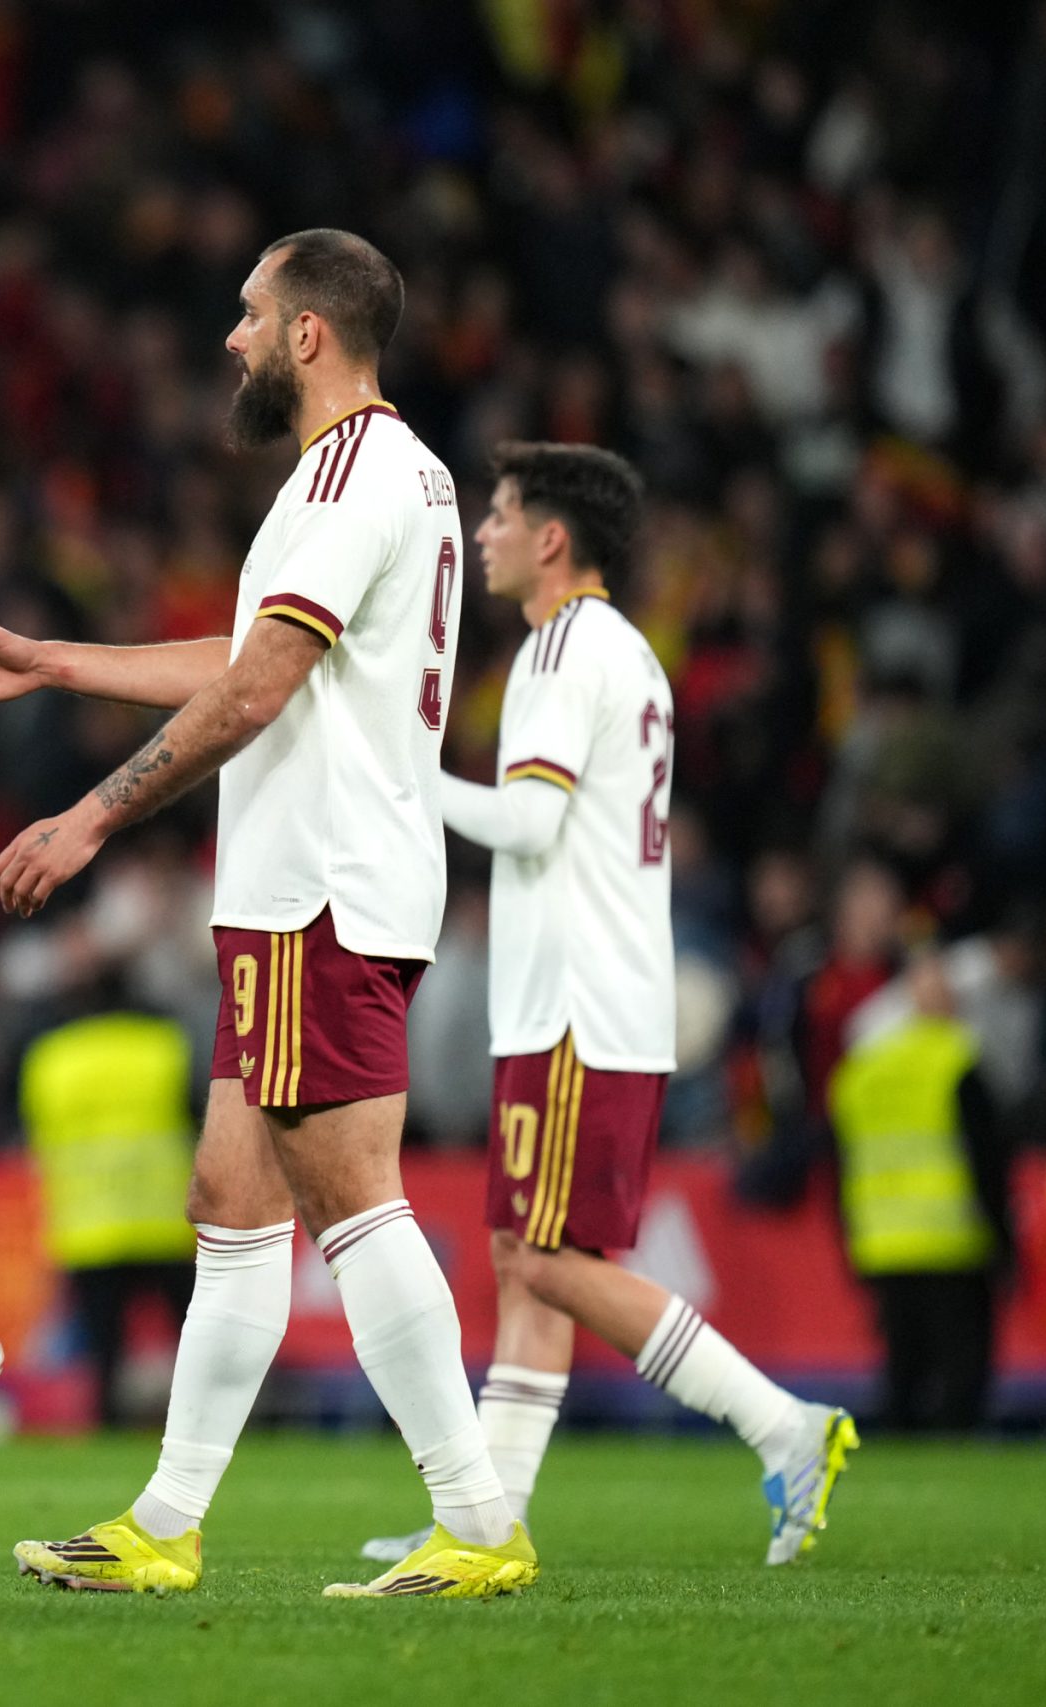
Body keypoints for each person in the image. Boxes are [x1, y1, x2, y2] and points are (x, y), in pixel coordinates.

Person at [0, 229, 534, 1599]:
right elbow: (248, 658)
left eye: (249, 316)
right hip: (305, 883)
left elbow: (253, 696)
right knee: (229, 1196)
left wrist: (88, 819)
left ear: (311, 333)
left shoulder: (352, 473)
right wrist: (53, 660)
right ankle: (168, 1519)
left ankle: (479, 1516)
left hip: (325, 881)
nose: (230, 339)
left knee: (351, 1197)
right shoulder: (378, 475)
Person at [357, 442, 853, 1570]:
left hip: (578, 1006)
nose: (481, 533)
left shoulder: (567, 651)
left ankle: (783, 1424)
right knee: (524, 1255)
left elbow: (530, 825)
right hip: (571, 1000)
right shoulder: (602, 651)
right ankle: (480, 1525)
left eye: (498, 515)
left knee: (543, 1263)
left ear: (550, 539)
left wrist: (406, 781)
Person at [828, 949, 1008, 1431]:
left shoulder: (863, 1070)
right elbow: (988, 1160)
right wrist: (1004, 1241)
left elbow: (841, 1161)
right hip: (953, 1239)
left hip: (883, 1241)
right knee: (960, 1376)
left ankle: (894, 1459)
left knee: (902, 1371)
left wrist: (850, 1237)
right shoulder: (959, 1059)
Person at [16, 982, 199, 1428]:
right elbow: (199, 1116)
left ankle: (109, 1428)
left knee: (105, 1354)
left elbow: (31, 1131)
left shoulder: (51, 1057)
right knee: (196, 1340)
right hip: (164, 1221)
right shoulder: (165, 1046)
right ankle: (212, 1426)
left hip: (89, 1228)